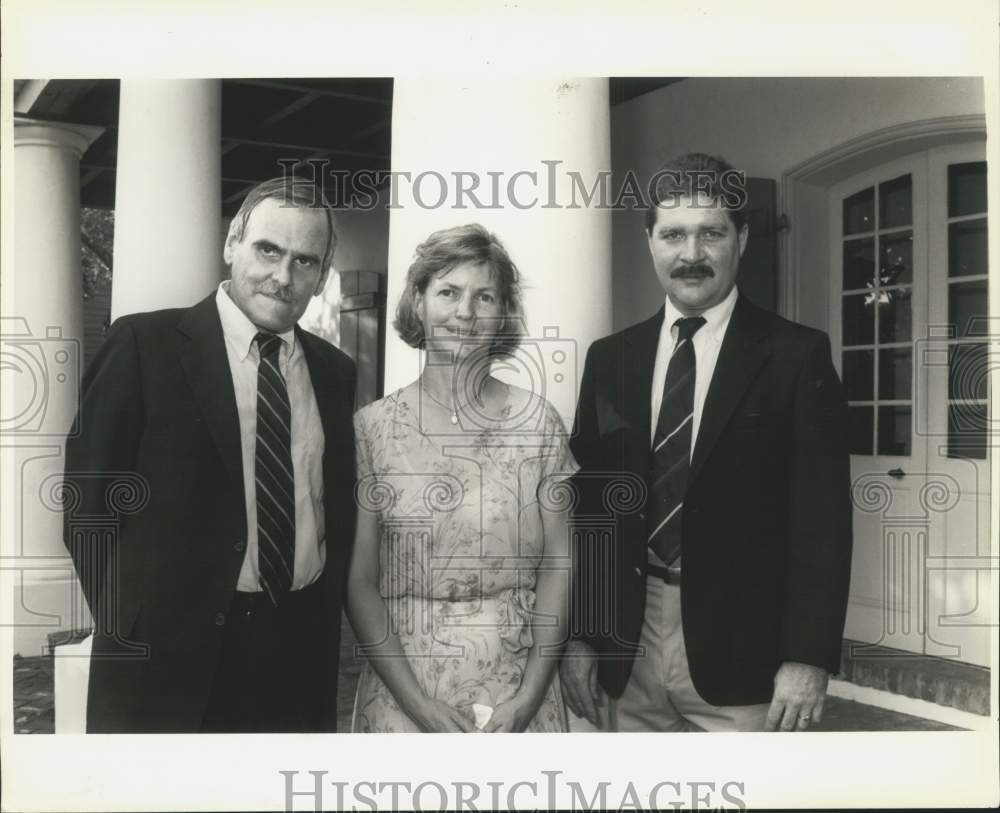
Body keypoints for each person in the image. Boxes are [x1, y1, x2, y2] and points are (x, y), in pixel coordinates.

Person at [561, 153, 852, 733]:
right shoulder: (610, 359)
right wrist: (580, 636)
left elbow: (822, 521)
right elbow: (592, 511)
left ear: (741, 238)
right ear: (650, 242)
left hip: (746, 654)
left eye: (711, 233)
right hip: (629, 643)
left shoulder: (796, 356)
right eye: (673, 234)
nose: (691, 255)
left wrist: (808, 655)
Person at [62, 177, 357, 733]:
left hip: (296, 654)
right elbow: (86, 507)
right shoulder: (142, 347)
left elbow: (331, 510)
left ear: (321, 277)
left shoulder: (335, 373)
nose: (283, 276)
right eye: (268, 249)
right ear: (232, 244)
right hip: (166, 663)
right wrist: (134, 623)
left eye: (306, 261)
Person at [347, 223, 575, 733]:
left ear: (503, 313)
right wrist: (417, 704)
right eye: (448, 292)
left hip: (516, 683)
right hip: (403, 685)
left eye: (484, 296)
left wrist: (532, 692)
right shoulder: (372, 428)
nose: (465, 313)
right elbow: (360, 581)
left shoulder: (539, 422)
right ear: (419, 302)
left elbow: (560, 564)